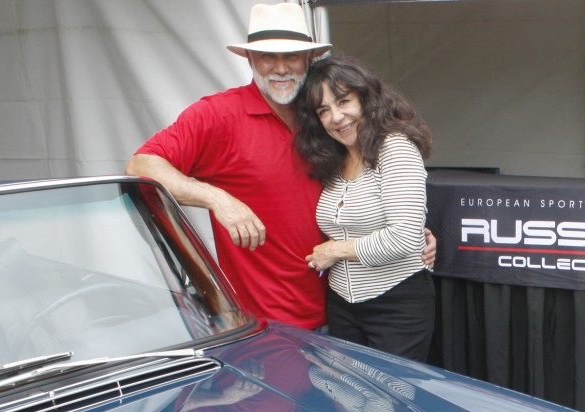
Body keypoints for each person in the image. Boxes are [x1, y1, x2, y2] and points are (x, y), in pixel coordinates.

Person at [124, 3, 434, 331]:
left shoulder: (325, 116)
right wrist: (218, 199)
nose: (280, 68)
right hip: (264, 326)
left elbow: (365, 192)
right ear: (250, 59)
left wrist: (412, 236)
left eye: (291, 56)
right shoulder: (218, 115)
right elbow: (140, 166)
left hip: (341, 310)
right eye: (268, 56)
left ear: (309, 60)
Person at [295, 54, 436, 362]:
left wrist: (335, 250)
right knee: (352, 400)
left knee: (391, 401)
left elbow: (404, 237)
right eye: (324, 110)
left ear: (366, 99)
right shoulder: (331, 160)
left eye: (344, 102)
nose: (336, 117)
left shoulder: (395, 147)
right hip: (341, 303)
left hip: (397, 303)